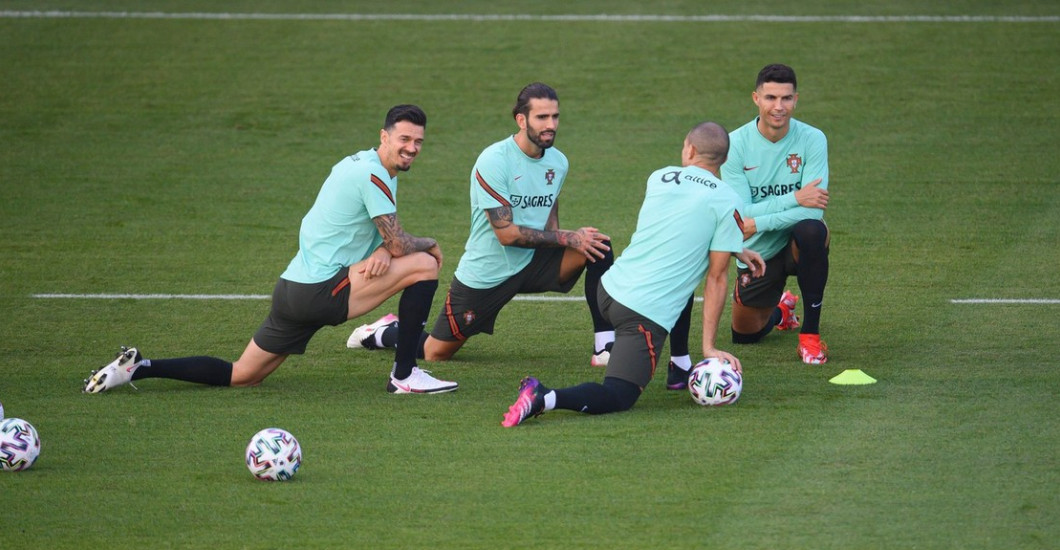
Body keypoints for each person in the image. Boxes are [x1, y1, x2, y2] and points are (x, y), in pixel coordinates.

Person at [83, 105, 458, 395]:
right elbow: (398, 242)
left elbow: (369, 231)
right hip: (322, 291)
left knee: (242, 376)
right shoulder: (375, 175)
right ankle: (405, 375)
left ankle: (140, 367)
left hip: (292, 289)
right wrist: (430, 244)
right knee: (424, 264)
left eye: (418, 142)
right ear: (384, 136)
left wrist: (382, 250)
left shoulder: (357, 165)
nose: (412, 148)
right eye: (405, 139)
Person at [500, 121, 765, 427]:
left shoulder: (660, 178)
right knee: (619, 394)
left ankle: (680, 367)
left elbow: (680, 228)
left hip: (608, 290)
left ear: (690, 149)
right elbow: (717, 277)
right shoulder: (728, 199)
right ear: (723, 160)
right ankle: (544, 397)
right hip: (639, 315)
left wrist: (734, 246)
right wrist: (709, 347)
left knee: (680, 270)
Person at [346, 83, 616, 366]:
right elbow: (506, 234)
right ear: (521, 120)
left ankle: (604, 346)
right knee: (435, 353)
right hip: (488, 273)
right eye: (542, 117)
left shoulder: (558, 162)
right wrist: (566, 238)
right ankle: (386, 331)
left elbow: (550, 209)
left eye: (555, 117)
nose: (551, 125)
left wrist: (564, 238)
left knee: (597, 246)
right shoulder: (494, 161)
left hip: (532, 263)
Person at [664, 63, 831, 389]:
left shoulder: (813, 139)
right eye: (770, 97)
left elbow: (815, 210)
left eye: (786, 98)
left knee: (812, 232)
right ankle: (782, 311)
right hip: (758, 253)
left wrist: (761, 220)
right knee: (744, 336)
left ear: (796, 99)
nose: (778, 106)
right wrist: (795, 197)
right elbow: (742, 216)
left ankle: (810, 335)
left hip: (796, 239)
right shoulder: (736, 143)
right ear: (756, 98)